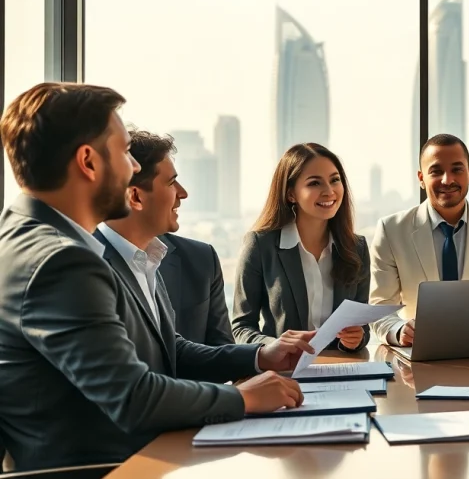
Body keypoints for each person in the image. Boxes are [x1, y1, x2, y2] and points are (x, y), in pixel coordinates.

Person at [0, 83, 308, 472]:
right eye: (125, 151)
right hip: (112, 467)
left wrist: (259, 355)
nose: (132, 168)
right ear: (88, 162)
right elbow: (133, 397)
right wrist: (243, 398)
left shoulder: (33, 236)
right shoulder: (61, 261)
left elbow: (165, 348)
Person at [369, 133, 469, 347]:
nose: (447, 180)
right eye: (436, 171)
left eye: (457, 169)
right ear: (421, 178)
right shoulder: (391, 230)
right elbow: (380, 307)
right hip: (419, 357)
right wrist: (399, 330)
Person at [97, 129, 233, 345]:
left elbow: (208, 351)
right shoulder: (86, 267)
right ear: (135, 196)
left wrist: (258, 356)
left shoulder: (197, 259)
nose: (183, 193)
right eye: (171, 183)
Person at [233, 143, 370, 352]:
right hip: (282, 372)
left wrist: (356, 338)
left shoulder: (356, 247)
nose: (329, 191)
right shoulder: (260, 246)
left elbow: (362, 327)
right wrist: (275, 345)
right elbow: (241, 328)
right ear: (291, 195)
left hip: (341, 369)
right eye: (314, 183)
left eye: (335, 180)